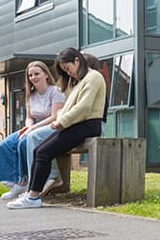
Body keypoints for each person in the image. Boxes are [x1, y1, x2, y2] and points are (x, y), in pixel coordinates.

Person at [7, 48, 107, 209]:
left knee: (44, 152)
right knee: (39, 150)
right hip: (78, 124)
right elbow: (70, 106)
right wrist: (62, 120)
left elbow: (84, 107)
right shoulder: (81, 80)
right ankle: (32, 194)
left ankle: (33, 197)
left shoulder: (94, 77)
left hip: (88, 125)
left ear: (76, 60)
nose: (70, 73)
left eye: (68, 69)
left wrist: (61, 122)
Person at [0, 61, 65, 200]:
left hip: (50, 127)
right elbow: (29, 117)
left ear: (46, 74)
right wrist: (28, 126)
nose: (33, 77)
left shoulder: (55, 92)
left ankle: (27, 180)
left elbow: (54, 117)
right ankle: (16, 182)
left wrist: (32, 128)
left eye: (37, 74)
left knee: (24, 143)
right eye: (30, 75)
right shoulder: (31, 95)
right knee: (6, 144)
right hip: (33, 126)